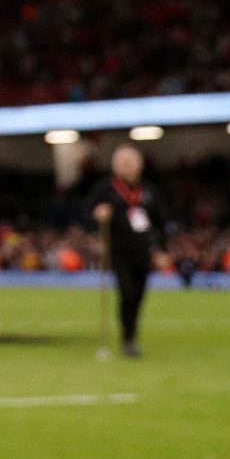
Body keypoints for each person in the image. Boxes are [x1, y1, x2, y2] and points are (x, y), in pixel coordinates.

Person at [89, 143, 168, 358]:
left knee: (138, 296)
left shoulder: (149, 191)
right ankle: (128, 339)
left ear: (139, 165)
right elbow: (88, 212)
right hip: (118, 251)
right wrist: (98, 214)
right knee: (127, 292)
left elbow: (160, 222)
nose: (126, 167)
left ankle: (131, 335)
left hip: (143, 251)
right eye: (122, 163)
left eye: (130, 162)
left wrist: (162, 249)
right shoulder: (105, 189)